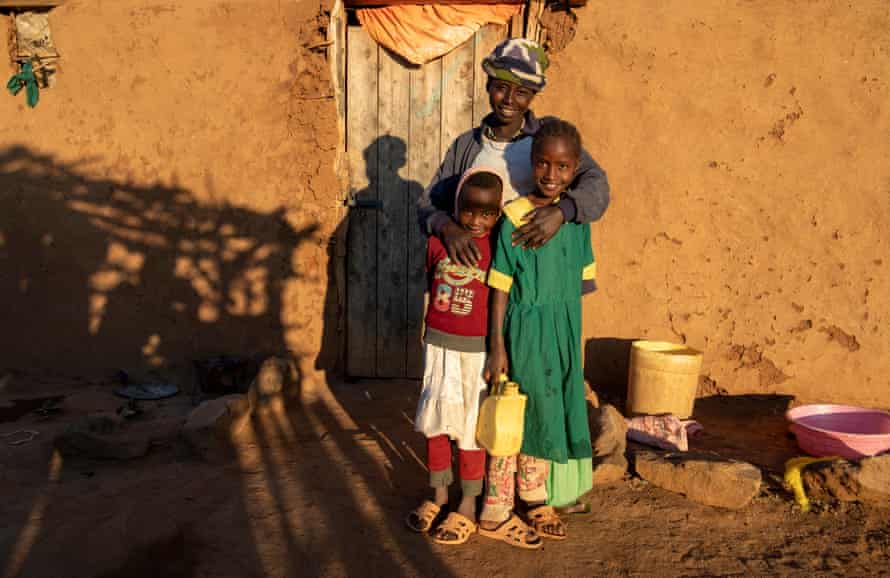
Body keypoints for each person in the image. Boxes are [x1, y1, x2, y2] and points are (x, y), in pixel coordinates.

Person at [479, 119, 595, 549]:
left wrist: (571, 341)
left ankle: (534, 497)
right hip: (526, 330)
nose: (550, 174)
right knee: (516, 414)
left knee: (547, 410)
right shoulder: (513, 220)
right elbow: (501, 288)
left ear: (575, 168)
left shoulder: (577, 221)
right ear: (531, 163)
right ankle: (495, 507)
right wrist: (496, 345)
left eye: (562, 166)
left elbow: (578, 286)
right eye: (543, 163)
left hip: (563, 329)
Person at [417, 38, 610, 268]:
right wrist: (447, 227)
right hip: (483, 271)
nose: (509, 100)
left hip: (533, 271)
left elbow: (597, 185)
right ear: (488, 85)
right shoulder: (468, 145)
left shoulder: (548, 138)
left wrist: (561, 212)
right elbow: (427, 202)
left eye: (521, 92)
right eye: (501, 88)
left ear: (532, 96)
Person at [406, 168, 503, 546]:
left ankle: (467, 503)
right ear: (455, 208)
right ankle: (439, 495)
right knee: (435, 422)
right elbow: (430, 286)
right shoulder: (437, 244)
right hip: (439, 348)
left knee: (469, 428)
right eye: (468, 211)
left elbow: (498, 300)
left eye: (486, 214)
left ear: (497, 215)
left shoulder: (497, 249)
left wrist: (498, 349)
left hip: (475, 353)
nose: (476, 221)